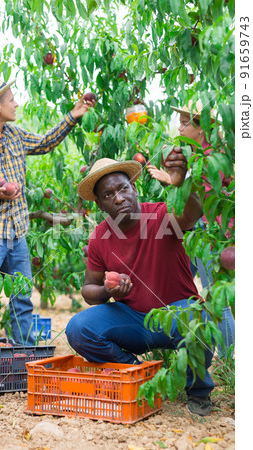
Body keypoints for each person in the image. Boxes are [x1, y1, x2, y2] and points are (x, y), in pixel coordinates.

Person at [0, 76, 95, 346]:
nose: (16, 103)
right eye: (11, 99)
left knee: (22, 296)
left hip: (17, 232)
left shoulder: (15, 135)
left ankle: (23, 354)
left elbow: (46, 142)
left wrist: (74, 115)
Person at [66, 156, 215, 416]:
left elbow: (192, 215)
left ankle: (198, 392)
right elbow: (89, 289)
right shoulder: (100, 236)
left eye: (123, 188)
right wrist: (107, 291)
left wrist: (183, 187)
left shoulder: (160, 214)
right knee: (79, 328)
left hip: (175, 314)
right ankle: (140, 375)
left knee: (199, 323)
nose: (119, 198)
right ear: (100, 204)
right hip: (134, 320)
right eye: (108, 194)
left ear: (135, 189)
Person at [147, 100, 235, 357]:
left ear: (202, 128)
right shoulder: (199, 155)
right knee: (176, 279)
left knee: (218, 300)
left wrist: (173, 181)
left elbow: (203, 197)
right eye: (181, 122)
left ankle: (231, 361)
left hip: (212, 232)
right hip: (197, 231)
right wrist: (173, 180)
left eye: (186, 123)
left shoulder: (212, 158)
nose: (180, 127)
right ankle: (169, 344)